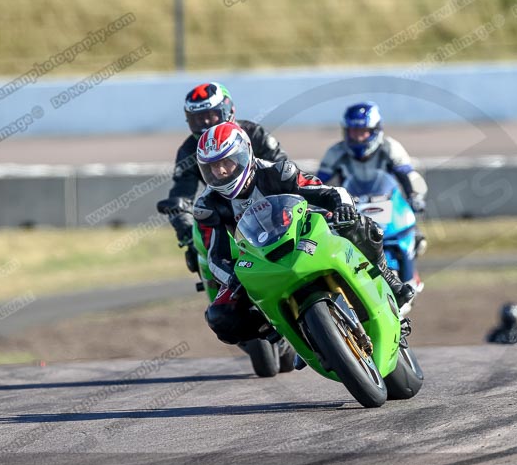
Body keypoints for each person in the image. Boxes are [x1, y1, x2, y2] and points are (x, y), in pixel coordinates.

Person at [192, 121, 415, 346]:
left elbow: (329, 192)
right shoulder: (208, 206)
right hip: (259, 258)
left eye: (226, 162)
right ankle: (276, 326)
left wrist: (343, 207)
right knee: (220, 316)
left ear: (244, 154)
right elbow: (215, 256)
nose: (220, 171)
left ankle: (388, 279)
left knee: (362, 225)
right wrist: (233, 278)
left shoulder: (279, 172)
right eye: (212, 167)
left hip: (304, 233)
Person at [156, 82, 288, 274]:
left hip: (271, 208)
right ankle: (223, 288)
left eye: (210, 116)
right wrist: (187, 232)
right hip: (226, 216)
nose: (205, 124)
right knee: (203, 256)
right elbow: (181, 194)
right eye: (197, 119)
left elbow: (283, 169)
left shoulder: (254, 133)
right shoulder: (188, 151)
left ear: (228, 110)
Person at [318, 102, 429, 256]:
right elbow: (318, 183)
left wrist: (415, 196)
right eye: (354, 132)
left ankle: (408, 268)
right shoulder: (335, 152)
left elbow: (409, 175)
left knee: (415, 241)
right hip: (352, 208)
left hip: (388, 204)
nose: (358, 138)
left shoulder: (390, 147)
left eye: (363, 132)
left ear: (375, 130)